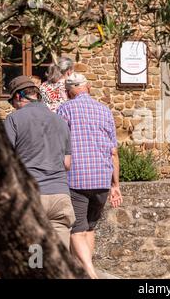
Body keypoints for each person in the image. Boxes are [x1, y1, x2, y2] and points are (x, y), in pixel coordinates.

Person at [57, 73, 122, 279]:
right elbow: (113, 152)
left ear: (68, 92)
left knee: (77, 229)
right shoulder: (104, 110)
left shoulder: (65, 109)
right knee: (90, 227)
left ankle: (90, 273)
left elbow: (58, 143)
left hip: (76, 178)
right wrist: (115, 185)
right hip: (102, 178)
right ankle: (85, 270)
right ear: (89, 87)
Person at [4, 75, 75, 249]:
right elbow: (67, 164)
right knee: (60, 259)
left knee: (34, 258)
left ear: (19, 97)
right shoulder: (60, 122)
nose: (13, 107)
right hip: (60, 197)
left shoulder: (14, 120)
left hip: (32, 195)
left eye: (12, 102)